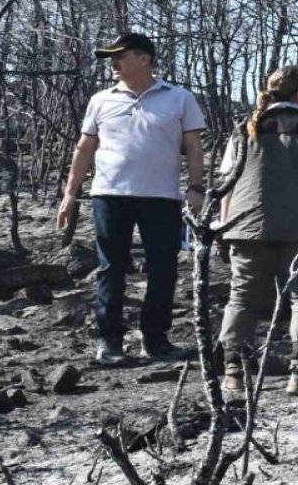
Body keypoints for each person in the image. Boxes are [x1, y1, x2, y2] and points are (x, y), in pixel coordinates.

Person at [58, 33, 206, 365]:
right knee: (111, 268)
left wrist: (196, 188)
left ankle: (156, 340)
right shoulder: (101, 100)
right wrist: (70, 194)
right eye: (111, 57)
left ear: (144, 59)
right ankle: (110, 342)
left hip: (162, 197)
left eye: (119, 56)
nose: (113, 63)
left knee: (163, 269)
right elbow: (84, 149)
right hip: (109, 195)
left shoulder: (179, 98)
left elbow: (194, 146)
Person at [215, 66, 298, 397]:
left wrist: (224, 225)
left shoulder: (244, 128)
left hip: (247, 225)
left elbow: (227, 185)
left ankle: (234, 371)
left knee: (242, 296)